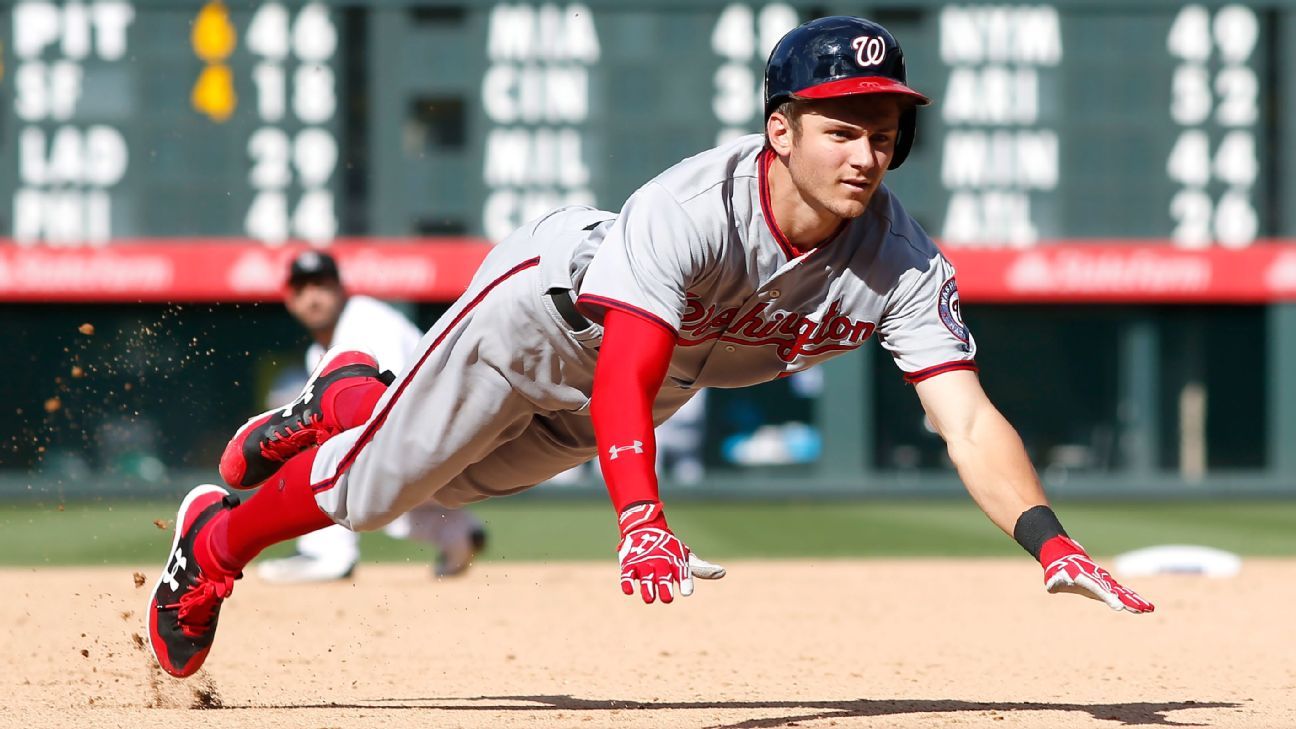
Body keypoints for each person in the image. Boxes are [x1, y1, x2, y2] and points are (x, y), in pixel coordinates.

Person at [148, 16, 1152, 679]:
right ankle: (213, 547)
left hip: (644, 382)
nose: (868, 152)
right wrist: (641, 517)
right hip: (542, 321)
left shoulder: (902, 261)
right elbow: (626, 362)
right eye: (842, 127)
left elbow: (965, 418)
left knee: (443, 490)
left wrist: (1051, 540)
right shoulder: (694, 208)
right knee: (373, 496)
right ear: (780, 129)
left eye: (884, 128)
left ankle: (354, 402)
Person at [241, 251, 487, 583]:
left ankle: (327, 553)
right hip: (442, 450)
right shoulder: (323, 347)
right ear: (290, 300)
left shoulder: (367, 324)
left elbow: (386, 405)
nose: (312, 297)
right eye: (302, 289)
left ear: (341, 289)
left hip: (440, 435)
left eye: (322, 285)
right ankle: (460, 535)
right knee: (398, 512)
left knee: (316, 443)